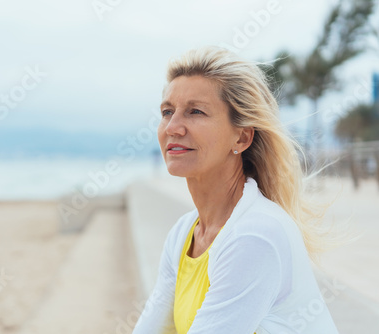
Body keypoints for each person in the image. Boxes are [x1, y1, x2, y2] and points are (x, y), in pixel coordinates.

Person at [132, 47, 339, 334]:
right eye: (167, 111)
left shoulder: (254, 235)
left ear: (241, 137)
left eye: (195, 111)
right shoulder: (183, 234)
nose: (173, 127)